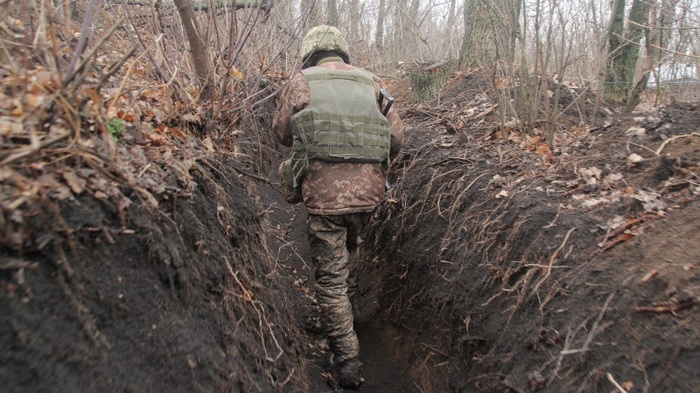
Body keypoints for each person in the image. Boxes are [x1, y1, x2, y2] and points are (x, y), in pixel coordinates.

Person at [272, 25, 404, 388]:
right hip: (369, 197)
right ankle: (348, 311)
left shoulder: (300, 81)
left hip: (324, 199)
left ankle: (346, 359)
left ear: (310, 53)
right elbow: (395, 140)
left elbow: (282, 133)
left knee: (330, 280)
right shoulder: (372, 81)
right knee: (352, 249)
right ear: (342, 51)